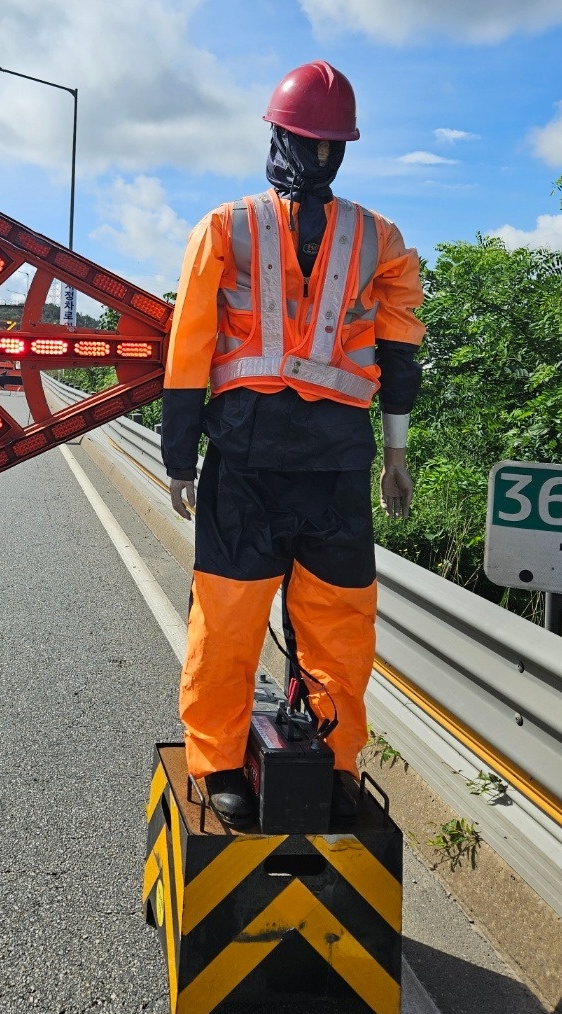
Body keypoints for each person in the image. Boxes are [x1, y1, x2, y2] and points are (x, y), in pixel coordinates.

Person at [161, 60, 424, 826]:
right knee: (263, 620)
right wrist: (181, 457)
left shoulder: (356, 237)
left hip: (306, 461)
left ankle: (298, 760)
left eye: (322, 146)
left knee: (303, 620)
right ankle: (240, 761)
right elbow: (192, 351)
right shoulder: (252, 229)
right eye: (314, 145)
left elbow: (399, 354)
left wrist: (397, 452)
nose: (316, 159)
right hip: (279, 462)